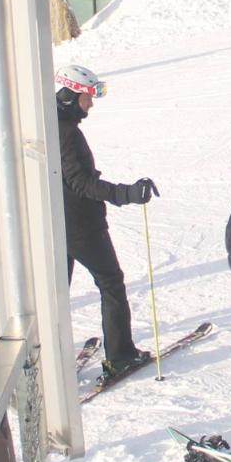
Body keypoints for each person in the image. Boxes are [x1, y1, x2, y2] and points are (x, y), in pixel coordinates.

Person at [55, 64, 156, 379]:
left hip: (55, 224)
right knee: (111, 281)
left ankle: (49, 361)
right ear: (71, 96)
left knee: (55, 293)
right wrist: (126, 194)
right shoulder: (66, 134)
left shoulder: (47, 125)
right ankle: (121, 356)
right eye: (88, 96)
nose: (91, 103)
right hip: (80, 225)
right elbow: (81, 183)